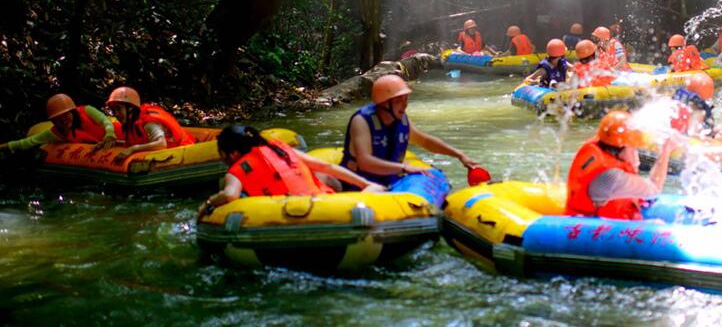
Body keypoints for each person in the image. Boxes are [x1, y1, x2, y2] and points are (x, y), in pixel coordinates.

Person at [199, 125, 384, 213]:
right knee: (322, 175)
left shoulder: (236, 170)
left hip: (291, 215)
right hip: (328, 205)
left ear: (232, 154)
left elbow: (230, 194)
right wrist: (365, 183)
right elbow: (326, 166)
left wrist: (208, 204)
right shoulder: (281, 149)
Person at [340, 75, 479, 188]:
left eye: (406, 99)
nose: (405, 105)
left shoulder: (401, 120)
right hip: (359, 184)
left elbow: (424, 141)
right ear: (385, 103)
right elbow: (365, 162)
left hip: (390, 182)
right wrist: (404, 168)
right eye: (399, 100)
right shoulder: (362, 121)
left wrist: (460, 155)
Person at [565, 110, 678, 219]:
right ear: (622, 148)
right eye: (634, 148)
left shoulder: (601, 143)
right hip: (590, 230)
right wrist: (666, 150)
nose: (636, 153)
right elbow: (654, 190)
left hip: (583, 211)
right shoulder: (613, 177)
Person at [1, 94, 120, 153]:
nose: (63, 120)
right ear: (52, 121)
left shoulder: (87, 110)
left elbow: (105, 121)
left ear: (72, 112)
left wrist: (110, 133)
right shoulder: (57, 132)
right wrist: (2, 147)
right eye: (58, 119)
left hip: (119, 134)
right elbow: (28, 142)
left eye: (66, 115)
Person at [105, 86, 195, 162]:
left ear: (131, 108)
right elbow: (135, 142)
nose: (116, 114)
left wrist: (132, 149)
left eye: (118, 109)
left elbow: (161, 144)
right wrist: (115, 143)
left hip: (184, 151)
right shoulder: (132, 124)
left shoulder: (149, 123)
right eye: (113, 110)